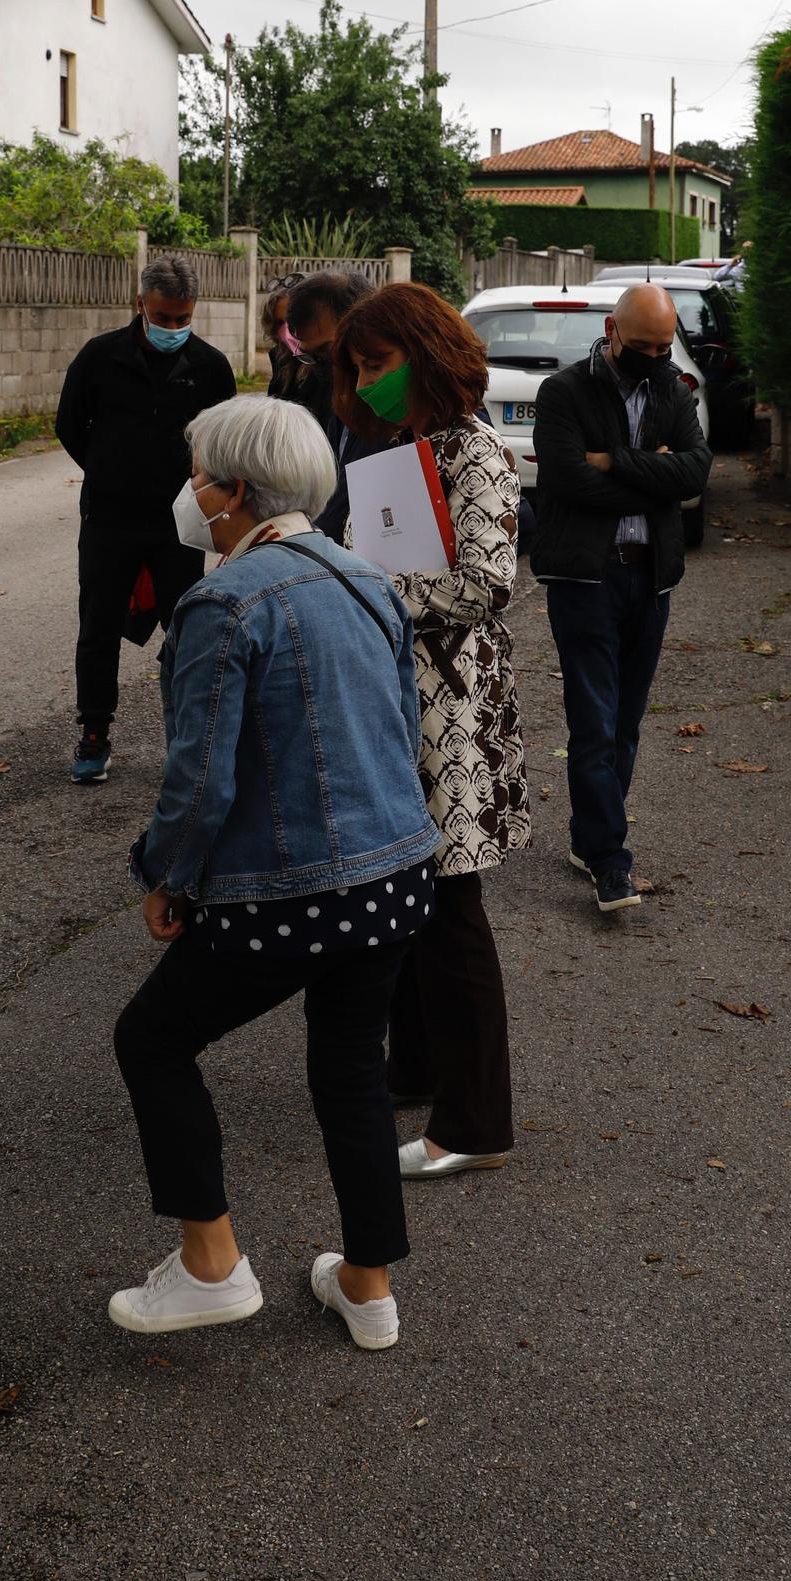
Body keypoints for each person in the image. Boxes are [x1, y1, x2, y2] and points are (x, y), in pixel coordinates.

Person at [112, 396, 440, 1351]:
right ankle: (368, 1286)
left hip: (287, 893)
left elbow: (199, 776)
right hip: (394, 876)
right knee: (350, 1071)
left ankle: (210, 1265)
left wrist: (165, 877)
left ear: (234, 492)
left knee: (153, 1040)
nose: (190, 491)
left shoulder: (224, 600)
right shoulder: (366, 577)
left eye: (199, 474)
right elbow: (401, 731)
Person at [330, 284, 530, 1182]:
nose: (366, 384)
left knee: (452, 914)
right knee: (407, 899)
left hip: (452, 714)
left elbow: (488, 582)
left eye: (377, 365)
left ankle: (476, 1122)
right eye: (359, 369)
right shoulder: (409, 448)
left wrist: (367, 592)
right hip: (401, 703)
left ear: (425, 355)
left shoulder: (475, 449)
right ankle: (414, 1069)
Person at [530, 282, 713, 913]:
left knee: (625, 723)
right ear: (612, 331)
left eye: (666, 347)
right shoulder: (563, 392)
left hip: (651, 576)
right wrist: (651, 476)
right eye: (643, 346)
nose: (657, 357)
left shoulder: (671, 389)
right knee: (593, 722)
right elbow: (564, 479)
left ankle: (590, 836)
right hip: (586, 578)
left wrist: (616, 461)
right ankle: (611, 860)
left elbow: (695, 472)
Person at [56, 252, 236, 785]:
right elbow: (69, 424)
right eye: (163, 318)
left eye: (183, 319)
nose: (174, 328)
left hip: (180, 522)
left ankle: (186, 738)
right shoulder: (99, 357)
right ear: (140, 305)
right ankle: (94, 733)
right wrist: (110, 469)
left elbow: (223, 445)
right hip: (109, 518)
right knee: (99, 627)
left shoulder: (210, 366)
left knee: (186, 630)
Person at [282, 269, 378, 539]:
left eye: (327, 348)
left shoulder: (395, 405)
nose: (326, 363)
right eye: (312, 355)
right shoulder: (339, 394)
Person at [261, 276, 328, 426]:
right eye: (279, 323)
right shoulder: (281, 360)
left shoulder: (326, 364)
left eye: (292, 320)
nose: (287, 329)